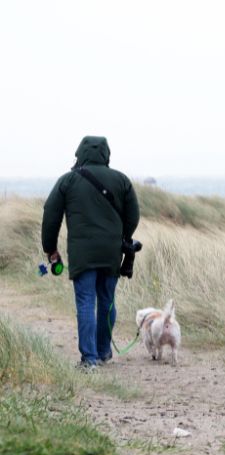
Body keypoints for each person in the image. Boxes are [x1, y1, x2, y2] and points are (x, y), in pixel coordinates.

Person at [41, 136, 140, 369]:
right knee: (107, 301)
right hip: (111, 252)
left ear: (80, 154)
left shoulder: (67, 180)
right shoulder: (122, 180)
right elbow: (133, 215)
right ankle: (104, 351)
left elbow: (50, 215)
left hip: (82, 253)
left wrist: (50, 249)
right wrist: (122, 237)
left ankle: (89, 359)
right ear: (106, 155)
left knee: (86, 302)